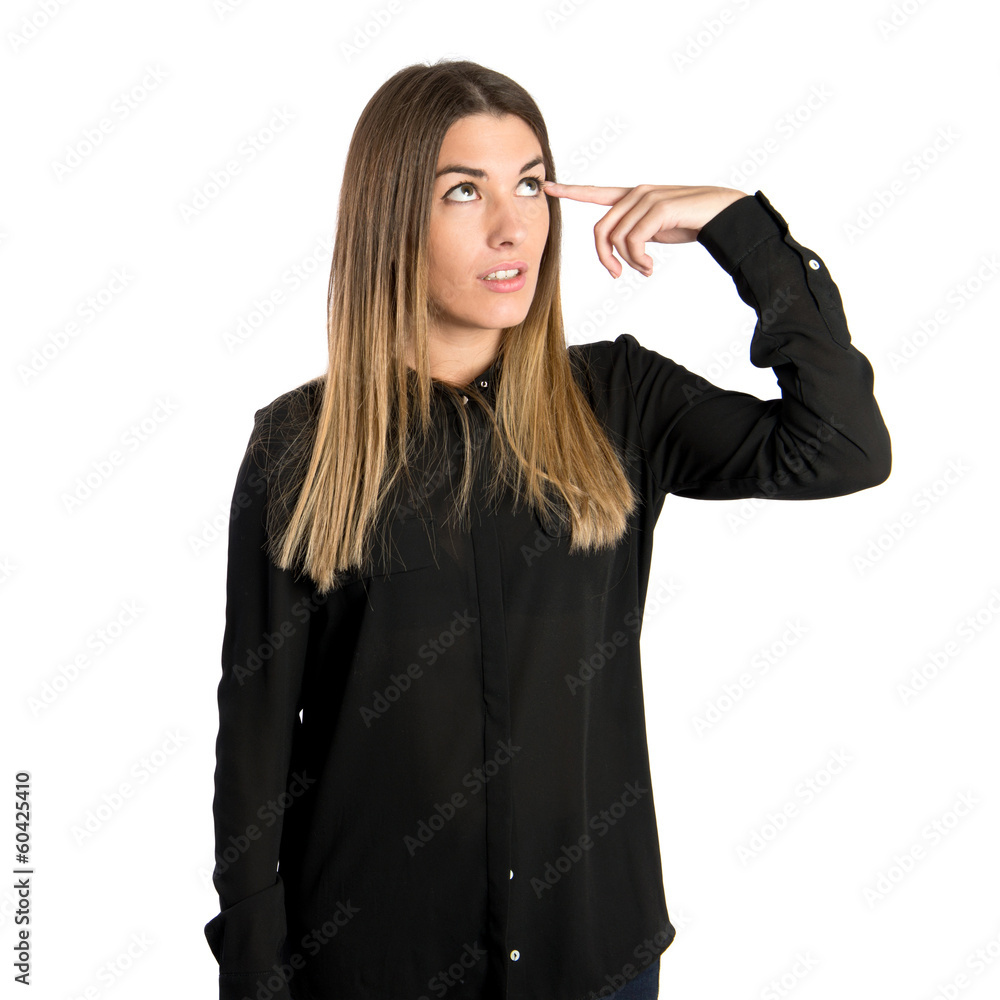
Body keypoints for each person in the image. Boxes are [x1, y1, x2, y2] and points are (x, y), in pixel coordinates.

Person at [203, 59, 891, 1000]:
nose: (512, 224)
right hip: (374, 967)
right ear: (391, 217)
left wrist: (741, 227)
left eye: (531, 184)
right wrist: (251, 971)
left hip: (594, 958)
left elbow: (842, 447)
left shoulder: (621, 401)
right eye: (463, 191)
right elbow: (254, 740)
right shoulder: (299, 446)